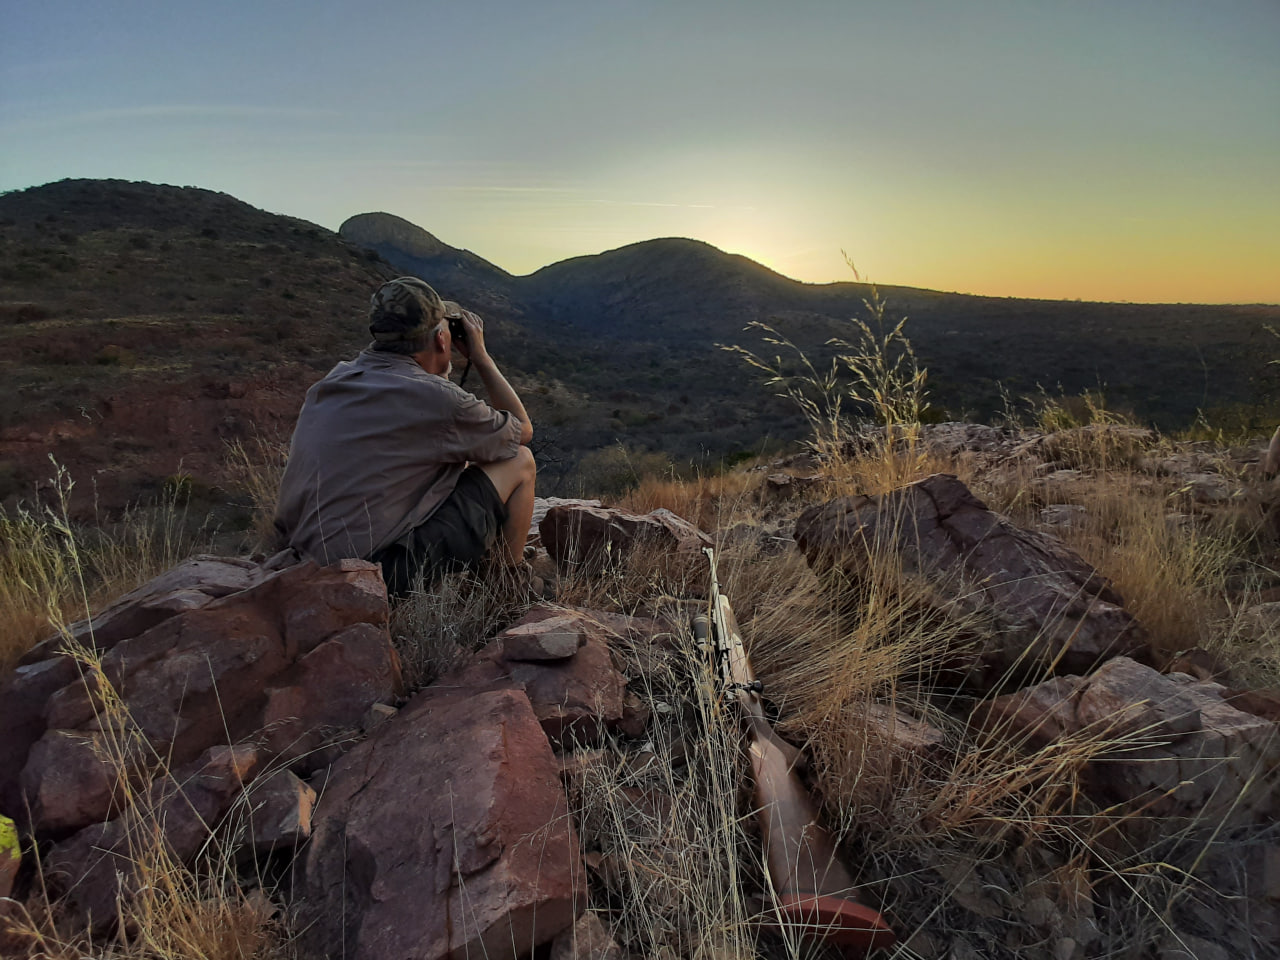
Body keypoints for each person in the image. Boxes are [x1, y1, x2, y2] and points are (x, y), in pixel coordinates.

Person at [273, 276, 536, 596]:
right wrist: (480, 357)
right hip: (371, 574)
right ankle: (508, 589)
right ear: (441, 340)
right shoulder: (436, 398)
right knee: (519, 461)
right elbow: (522, 431)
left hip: (303, 559)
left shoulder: (337, 377)